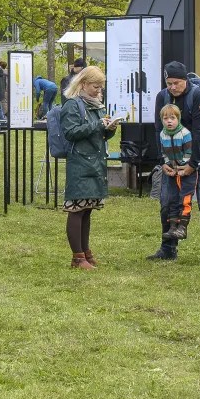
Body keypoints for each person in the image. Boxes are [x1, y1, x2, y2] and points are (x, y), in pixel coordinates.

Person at [150, 62, 200, 265]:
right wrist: (162, 161)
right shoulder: (162, 97)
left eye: (177, 83)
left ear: (185, 80)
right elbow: (158, 130)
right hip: (171, 156)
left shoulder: (198, 96)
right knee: (167, 201)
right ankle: (168, 248)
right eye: (169, 83)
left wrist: (193, 164)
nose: (173, 87)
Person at [61, 65, 116, 271]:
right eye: (96, 87)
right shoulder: (72, 105)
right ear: (83, 84)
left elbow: (99, 134)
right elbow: (71, 132)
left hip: (95, 162)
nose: (99, 91)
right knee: (76, 209)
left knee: (87, 210)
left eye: (101, 88)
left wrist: (109, 129)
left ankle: (86, 253)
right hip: (80, 164)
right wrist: (99, 125)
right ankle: (77, 258)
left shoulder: (96, 105)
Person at [155, 104, 195, 243]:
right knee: (172, 199)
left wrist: (182, 167)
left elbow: (189, 152)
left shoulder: (185, 133)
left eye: (172, 118)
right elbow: (163, 153)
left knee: (185, 199)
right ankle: (172, 227)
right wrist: (167, 165)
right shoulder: (162, 134)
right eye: (166, 119)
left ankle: (182, 227)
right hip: (172, 172)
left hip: (186, 172)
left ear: (178, 119)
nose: (169, 121)